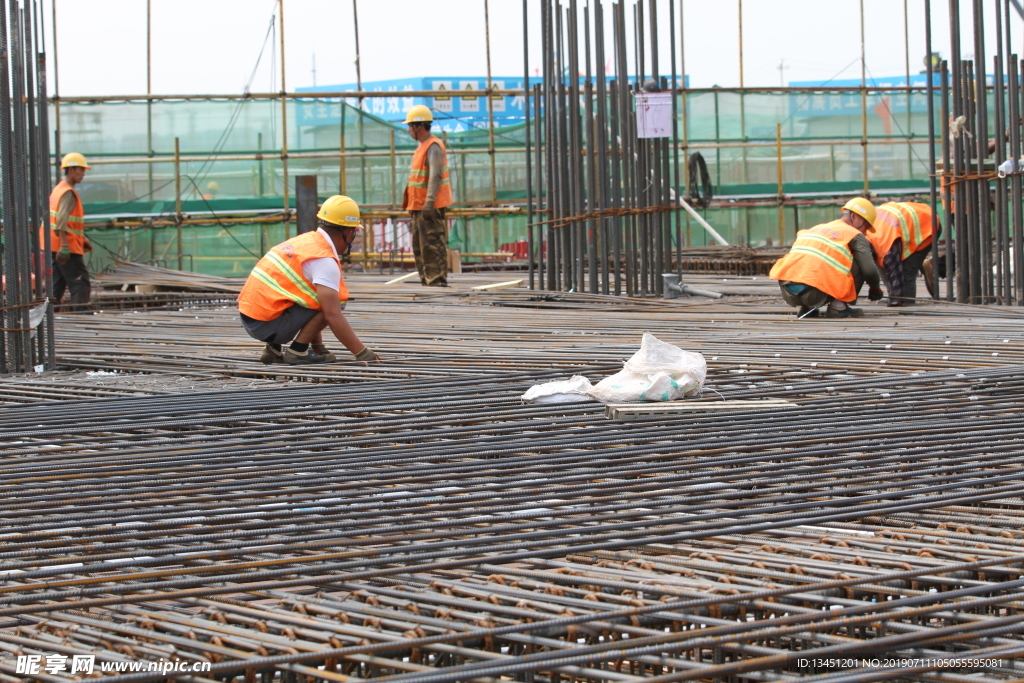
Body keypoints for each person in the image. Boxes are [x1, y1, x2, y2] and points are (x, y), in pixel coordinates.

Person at [238, 195, 381, 365]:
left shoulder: (305, 242)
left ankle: (273, 349)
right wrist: (362, 353)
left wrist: (318, 346)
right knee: (335, 302)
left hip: (250, 317)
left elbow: (304, 296)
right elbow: (332, 314)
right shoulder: (324, 259)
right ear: (349, 232)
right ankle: (297, 351)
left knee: (305, 292)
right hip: (267, 324)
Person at [769, 198, 884, 319]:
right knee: (861, 260)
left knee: (812, 261)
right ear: (854, 216)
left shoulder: (815, 229)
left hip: (788, 293)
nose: (865, 232)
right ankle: (838, 306)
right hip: (813, 294)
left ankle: (807, 308)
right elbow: (869, 270)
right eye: (865, 226)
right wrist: (875, 289)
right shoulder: (854, 234)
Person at [401, 104, 452, 287]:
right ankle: (427, 281)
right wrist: (411, 206)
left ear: (418, 126)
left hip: (429, 206)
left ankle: (436, 282)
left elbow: (435, 175)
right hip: (419, 207)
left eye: (410, 126)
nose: (408, 130)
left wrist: (429, 203)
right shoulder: (422, 147)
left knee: (432, 245)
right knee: (420, 248)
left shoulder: (433, 146)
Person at [43, 152, 93, 306]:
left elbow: (66, 221)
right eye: (81, 170)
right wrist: (65, 246)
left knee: (56, 287)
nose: (83, 174)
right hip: (66, 248)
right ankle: (83, 319)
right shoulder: (68, 193)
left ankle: (46, 319)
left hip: (54, 245)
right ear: (71, 170)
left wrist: (82, 239)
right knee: (80, 282)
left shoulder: (59, 188)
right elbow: (61, 220)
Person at [866, 201, 937, 307]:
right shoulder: (862, 233)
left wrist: (895, 302)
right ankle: (896, 296)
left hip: (927, 224)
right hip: (901, 221)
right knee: (883, 265)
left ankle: (907, 304)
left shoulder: (887, 248)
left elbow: (895, 273)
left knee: (906, 272)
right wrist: (874, 287)